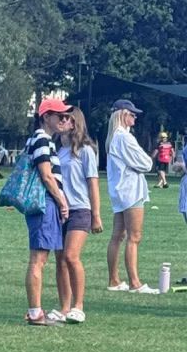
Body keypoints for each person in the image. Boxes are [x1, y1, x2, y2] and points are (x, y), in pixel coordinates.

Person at [48, 108, 103, 324]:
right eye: (59, 117)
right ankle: (64, 307)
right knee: (60, 260)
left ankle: (78, 306)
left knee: (71, 256)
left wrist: (96, 215)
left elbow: (93, 183)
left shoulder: (85, 150)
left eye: (65, 118)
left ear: (74, 123)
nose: (61, 121)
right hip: (59, 209)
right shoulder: (57, 151)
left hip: (80, 209)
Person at [24, 98, 72, 325]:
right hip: (44, 203)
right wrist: (62, 201)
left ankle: (36, 310)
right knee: (38, 259)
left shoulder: (43, 140)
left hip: (45, 204)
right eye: (59, 115)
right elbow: (46, 175)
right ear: (46, 117)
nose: (64, 119)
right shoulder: (42, 139)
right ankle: (35, 312)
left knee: (40, 258)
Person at [105, 99, 158, 294]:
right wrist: (144, 161)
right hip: (130, 190)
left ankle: (114, 280)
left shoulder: (112, 138)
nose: (134, 117)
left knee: (117, 236)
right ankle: (135, 282)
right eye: (132, 114)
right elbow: (145, 163)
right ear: (122, 115)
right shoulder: (124, 138)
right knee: (134, 237)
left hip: (118, 191)